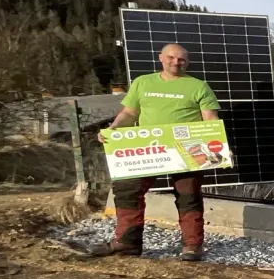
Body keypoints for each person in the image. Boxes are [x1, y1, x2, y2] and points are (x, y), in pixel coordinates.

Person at [90, 43, 220, 262]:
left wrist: (221, 148)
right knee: (127, 189)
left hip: (187, 149)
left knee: (189, 196)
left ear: (187, 63)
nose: (176, 63)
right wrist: (112, 130)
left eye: (181, 60)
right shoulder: (143, 82)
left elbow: (210, 120)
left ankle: (192, 246)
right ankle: (127, 243)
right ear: (161, 58)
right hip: (148, 149)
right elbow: (130, 113)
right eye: (171, 58)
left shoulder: (199, 86)